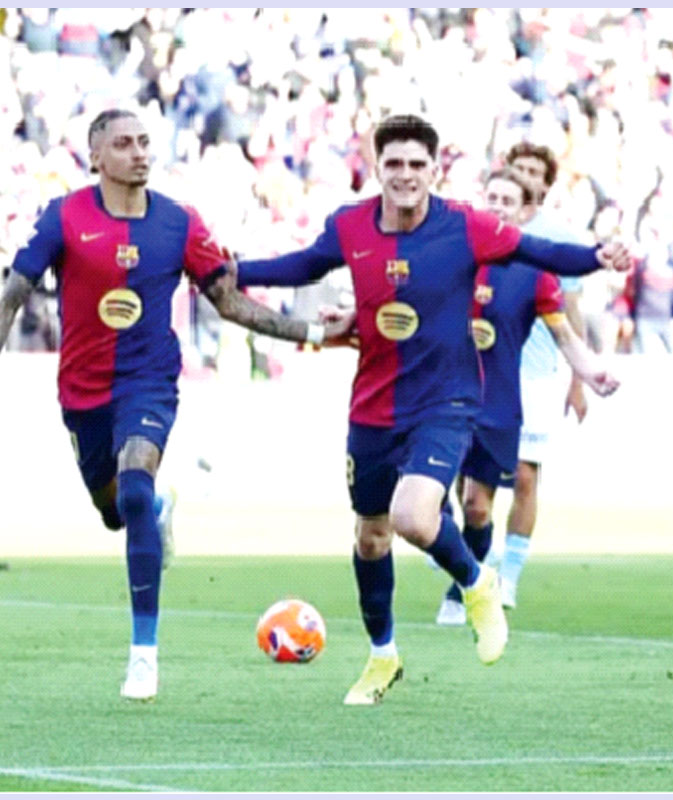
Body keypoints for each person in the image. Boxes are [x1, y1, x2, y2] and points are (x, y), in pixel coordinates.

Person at [236, 114, 632, 705]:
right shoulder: (350, 224)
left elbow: (542, 251)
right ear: (377, 167)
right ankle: (382, 657)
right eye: (394, 163)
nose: (405, 175)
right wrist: (231, 270)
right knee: (371, 538)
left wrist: (598, 255)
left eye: (417, 164)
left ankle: (477, 582)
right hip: (373, 405)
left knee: (414, 516)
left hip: (447, 401)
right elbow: (303, 265)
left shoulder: (466, 226)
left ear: (435, 170)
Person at [0, 109, 352, 702]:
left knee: (136, 487)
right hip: (82, 391)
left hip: (149, 382)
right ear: (96, 156)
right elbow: (14, 295)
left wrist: (317, 334)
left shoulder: (178, 222)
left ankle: (143, 657)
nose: (139, 152)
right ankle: (157, 511)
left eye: (144, 142)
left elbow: (230, 303)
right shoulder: (64, 216)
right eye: (124, 144)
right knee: (115, 511)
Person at [434, 168, 619, 626]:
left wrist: (590, 372)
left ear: (522, 212)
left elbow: (565, 336)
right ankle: (450, 552)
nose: (498, 206)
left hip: (498, 403)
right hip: (445, 397)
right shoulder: (454, 258)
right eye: (492, 197)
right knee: (430, 491)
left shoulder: (536, 276)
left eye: (508, 200)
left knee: (478, 506)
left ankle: (466, 586)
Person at [496, 142, 596, 608]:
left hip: (535, 374)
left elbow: (572, 312)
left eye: (535, 171)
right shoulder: (483, 228)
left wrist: (578, 380)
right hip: (481, 369)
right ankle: (469, 569)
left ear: (546, 184)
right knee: (470, 481)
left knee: (525, 476)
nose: (526, 176)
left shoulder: (559, 238)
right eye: (519, 168)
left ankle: (508, 579)